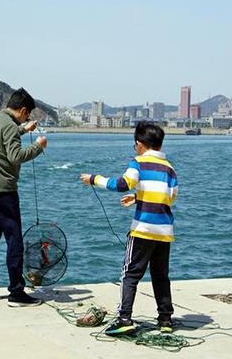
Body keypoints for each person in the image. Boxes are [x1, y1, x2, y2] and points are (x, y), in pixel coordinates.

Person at [80, 121, 178, 335]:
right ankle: (165, 320)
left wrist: (94, 179)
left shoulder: (139, 162)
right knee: (160, 275)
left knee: (130, 274)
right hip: (164, 231)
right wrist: (137, 198)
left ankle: (124, 318)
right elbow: (169, 197)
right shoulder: (169, 168)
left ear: (139, 144)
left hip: (143, 229)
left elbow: (122, 183)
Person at [0, 88, 48, 307]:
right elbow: (15, 156)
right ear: (23, 110)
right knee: (14, 240)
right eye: (27, 115)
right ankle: (16, 292)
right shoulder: (9, 126)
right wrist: (38, 147)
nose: (27, 118)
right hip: (3, 191)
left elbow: (4, 137)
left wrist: (24, 130)